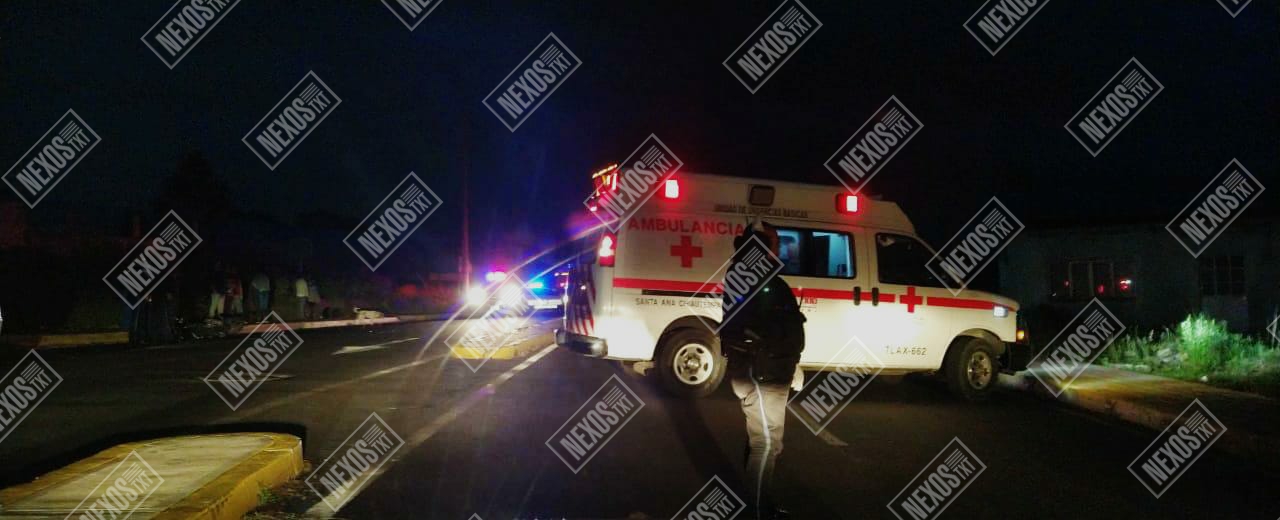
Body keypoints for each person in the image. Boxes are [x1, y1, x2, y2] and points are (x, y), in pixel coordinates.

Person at [719, 220, 806, 520]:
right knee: (766, 445)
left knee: (763, 443)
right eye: (774, 242)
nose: (778, 247)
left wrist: (793, 362)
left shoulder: (755, 276)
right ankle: (757, 512)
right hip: (763, 372)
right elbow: (762, 328)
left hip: (769, 370)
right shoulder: (755, 278)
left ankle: (761, 504)